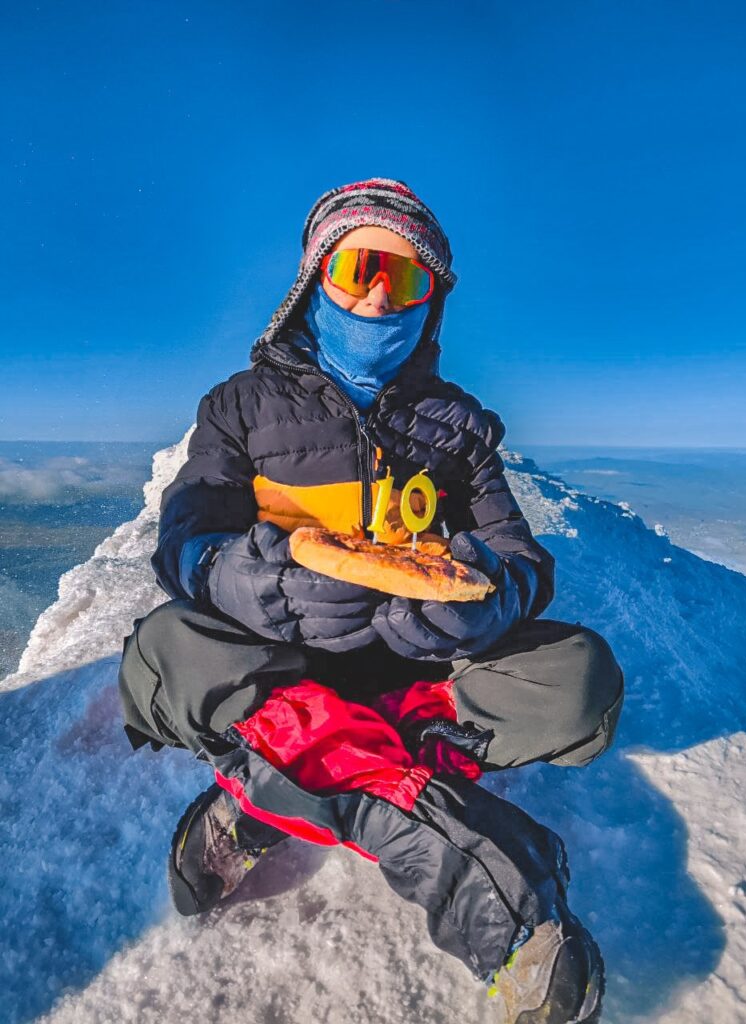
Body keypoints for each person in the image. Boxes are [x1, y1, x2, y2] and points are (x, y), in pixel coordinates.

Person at [118, 178, 624, 1023]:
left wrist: (484, 605)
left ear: (433, 301)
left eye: (407, 277)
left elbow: (521, 559)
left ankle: (265, 793)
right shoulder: (240, 409)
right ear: (317, 277)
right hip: (275, 666)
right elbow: (185, 536)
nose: (379, 294)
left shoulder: (459, 429)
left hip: (413, 676)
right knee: (166, 649)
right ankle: (494, 896)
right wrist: (249, 580)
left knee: (580, 679)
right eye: (358, 267)